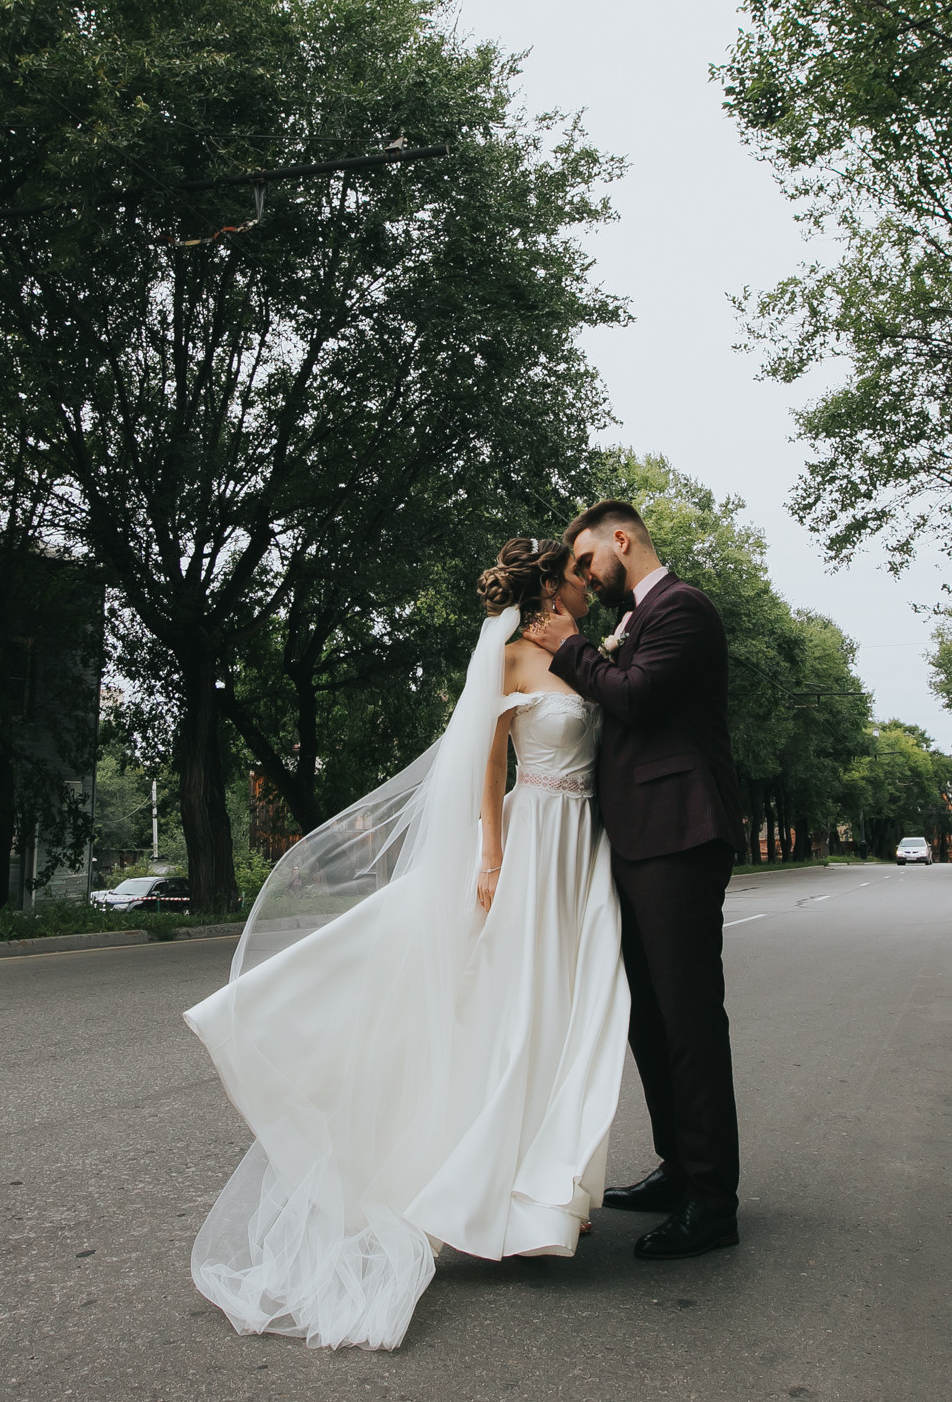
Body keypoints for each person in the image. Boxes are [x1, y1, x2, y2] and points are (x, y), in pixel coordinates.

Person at [183, 537, 629, 1350]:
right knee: (524, 1016)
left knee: (579, 1015)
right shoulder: (514, 656)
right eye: (578, 575)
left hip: (584, 855)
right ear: (551, 586)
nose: (591, 585)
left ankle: (548, 1190)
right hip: (532, 844)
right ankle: (507, 1197)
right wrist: (491, 856)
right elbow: (489, 759)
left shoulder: (590, 654)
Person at [521, 499, 747, 1262]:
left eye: (586, 562)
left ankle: (713, 1201)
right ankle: (679, 1167)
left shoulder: (683, 609)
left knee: (688, 1021)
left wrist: (573, 647)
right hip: (638, 842)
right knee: (649, 1022)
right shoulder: (638, 622)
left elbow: (637, 696)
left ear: (622, 539)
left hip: (680, 837)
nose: (583, 575)